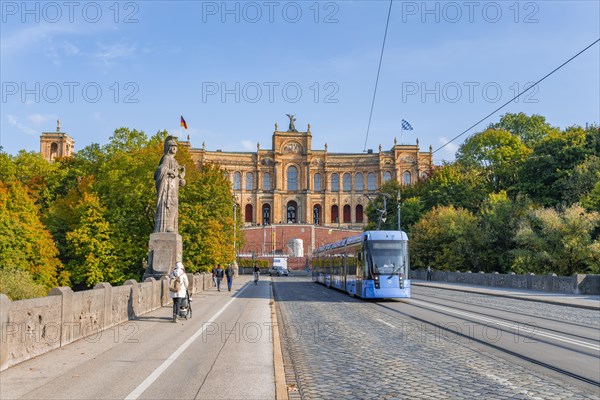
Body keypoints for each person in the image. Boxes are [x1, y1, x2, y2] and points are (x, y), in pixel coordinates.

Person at [154, 136, 186, 233]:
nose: (175, 148)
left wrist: (181, 176)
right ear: (168, 147)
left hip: (173, 188)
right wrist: (172, 172)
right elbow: (161, 169)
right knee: (168, 206)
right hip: (167, 188)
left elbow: (179, 178)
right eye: (173, 146)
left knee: (174, 206)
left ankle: (170, 226)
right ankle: (167, 227)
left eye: (176, 147)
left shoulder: (175, 161)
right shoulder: (166, 158)